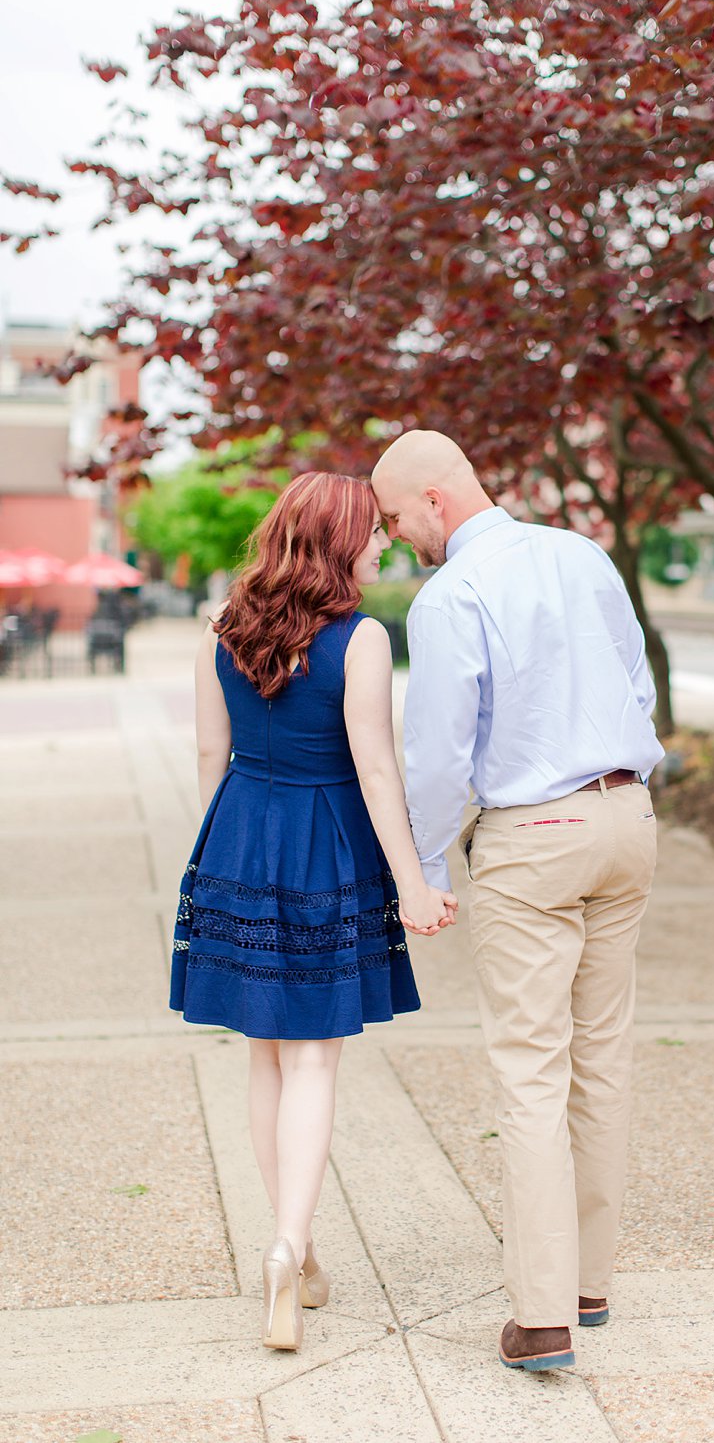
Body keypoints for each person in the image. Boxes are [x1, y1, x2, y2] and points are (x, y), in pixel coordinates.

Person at [370, 429, 663, 1374]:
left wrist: (423, 868)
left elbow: (440, 751)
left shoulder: (450, 593)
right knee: (602, 1057)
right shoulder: (583, 555)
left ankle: (542, 1318)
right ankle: (590, 1281)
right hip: (628, 817)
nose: (396, 536)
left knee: (531, 1068)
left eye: (394, 518)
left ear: (434, 500)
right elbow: (638, 681)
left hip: (532, 836)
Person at [173, 472, 451, 1352]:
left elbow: (210, 755)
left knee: (266, 1056)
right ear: (337, 540)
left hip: (241, 836)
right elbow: (375, 769)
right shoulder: (361, 637)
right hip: (326, 843)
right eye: (370, 533)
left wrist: (224, 859)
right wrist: (411, 880)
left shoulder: (223, 625)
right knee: (316, 1063)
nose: (380, 545)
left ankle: (298, 1244)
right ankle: (290, 1246)